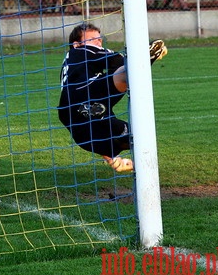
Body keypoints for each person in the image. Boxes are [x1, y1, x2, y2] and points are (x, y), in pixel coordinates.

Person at [58, 23, 167, 173]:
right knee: (124, 73)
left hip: (70, 113)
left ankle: (118, 158)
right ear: (77, 44)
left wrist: (112, 160)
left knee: (127, 134)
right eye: (93, 39)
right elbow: (117, 60)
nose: (98, 42)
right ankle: (145, 57)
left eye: (99, 39)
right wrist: (143, 59)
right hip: (86, 90)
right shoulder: (82, 51)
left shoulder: (70, 63)